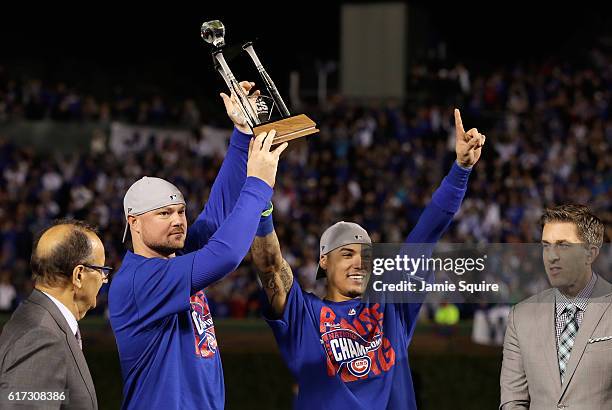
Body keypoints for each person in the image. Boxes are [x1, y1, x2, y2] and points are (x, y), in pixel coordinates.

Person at [250, 109, 485, 409]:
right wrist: (260, 200)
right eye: (347, 254)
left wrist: (461, 170)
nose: (359, 262)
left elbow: (426, 234)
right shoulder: (304, 313)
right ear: (324, 261)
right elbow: (270, 267)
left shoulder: (390, 305)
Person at [108, 82, 288, 410]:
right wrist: (259, 183)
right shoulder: (139, 280)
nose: (178, 220)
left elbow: (218, 212)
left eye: (180, 212)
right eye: (164, 213)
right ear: (133, 222)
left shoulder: (176, 256)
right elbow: (225, 255)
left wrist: (242, 134)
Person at [500, 204, 610, 410]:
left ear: (591, 253)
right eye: (546, 245)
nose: (551, 256)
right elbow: (512, 400)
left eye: (563, 245)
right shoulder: (520, 316)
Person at [0, 219, 110, 410]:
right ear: (78, 276)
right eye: (101, 270)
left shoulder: (38, 321)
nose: (104, 279)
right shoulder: (41, 337)